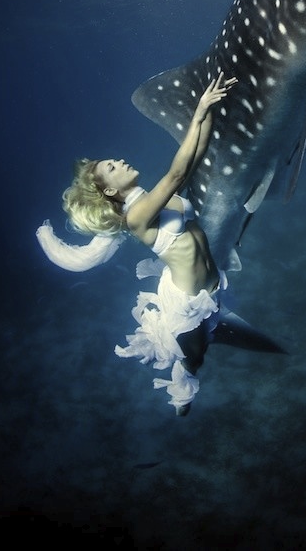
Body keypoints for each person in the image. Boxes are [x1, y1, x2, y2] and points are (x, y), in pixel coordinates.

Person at [50, 73, 237, 415]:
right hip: (188, 302)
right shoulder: (137, 217)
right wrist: (196, 113)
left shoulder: (151, 198)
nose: (120, 161)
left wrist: (212, 109)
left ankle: (188, 366)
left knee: (207, 341)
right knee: (195, 357)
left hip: (210, 286)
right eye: (112, 166)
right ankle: (182, 386)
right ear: (109, 190)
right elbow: (177, 174)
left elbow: (194, 158)